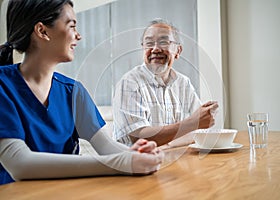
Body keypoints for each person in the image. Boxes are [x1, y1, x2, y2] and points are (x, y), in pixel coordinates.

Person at [0, 0, 163, 185]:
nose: (78, 36)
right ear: (42, 31)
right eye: (72, 26)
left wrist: (136, 154)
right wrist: (119, 163)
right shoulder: (3, 87)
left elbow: (106, 146)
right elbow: (20, 164)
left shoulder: (73, 92)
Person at [113, 19, 219, 147]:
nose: (155, 49)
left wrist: (194, 125)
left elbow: (200, 130)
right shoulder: (129, 83)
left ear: (178, 51)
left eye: (163, 42)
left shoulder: (183, 83)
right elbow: (140, 138)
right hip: (138, 165)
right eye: (149, 43)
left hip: (177, 161)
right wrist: (191, 124)